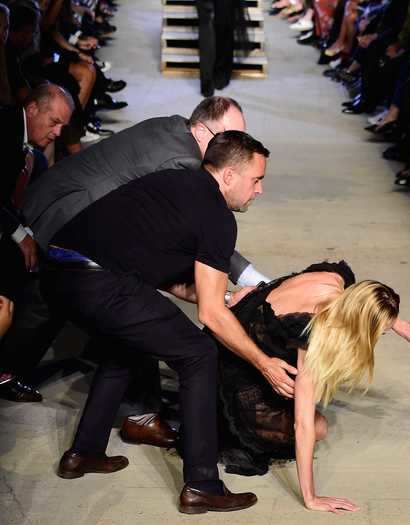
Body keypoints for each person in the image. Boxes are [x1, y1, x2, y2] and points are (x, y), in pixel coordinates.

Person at [42, 131, 274, 513]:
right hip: (100, 281)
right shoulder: (216, 216)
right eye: (257, 180)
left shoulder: (175, 182)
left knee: (127, 342)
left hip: (60, 272)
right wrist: (263, 363)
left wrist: (229, 296)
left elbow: (169, 275)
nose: (260, 190)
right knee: (198, 352)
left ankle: (83, 453)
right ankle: (202, 484)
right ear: (229, 176)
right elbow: (211, 316)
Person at [0, 96, 270, 411]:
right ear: (200, 130)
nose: (231, 146)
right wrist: (251, 281)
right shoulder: (185, 162)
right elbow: (210, 237)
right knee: (53, 299)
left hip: (70, 208)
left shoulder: (170, 124)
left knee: (80, 301)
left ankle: (127, 405)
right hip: (64, 214)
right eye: (225, 136)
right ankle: (9, 370)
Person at [217, 261, 410, 513]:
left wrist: (401, 326)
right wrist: (311, 497)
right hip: (234, 362)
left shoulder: (335, 278)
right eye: (379, 333)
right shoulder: (311, 333)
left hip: (238, 319)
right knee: (318, 427)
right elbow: (302, 424)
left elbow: (364, 301)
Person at [0, 83, 73, 402]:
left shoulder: (31, 153)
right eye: (54, 122)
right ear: (32, 109)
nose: (57, 133)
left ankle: (8, 371)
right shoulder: (3, 131)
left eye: (62, 126)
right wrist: (21, 236)